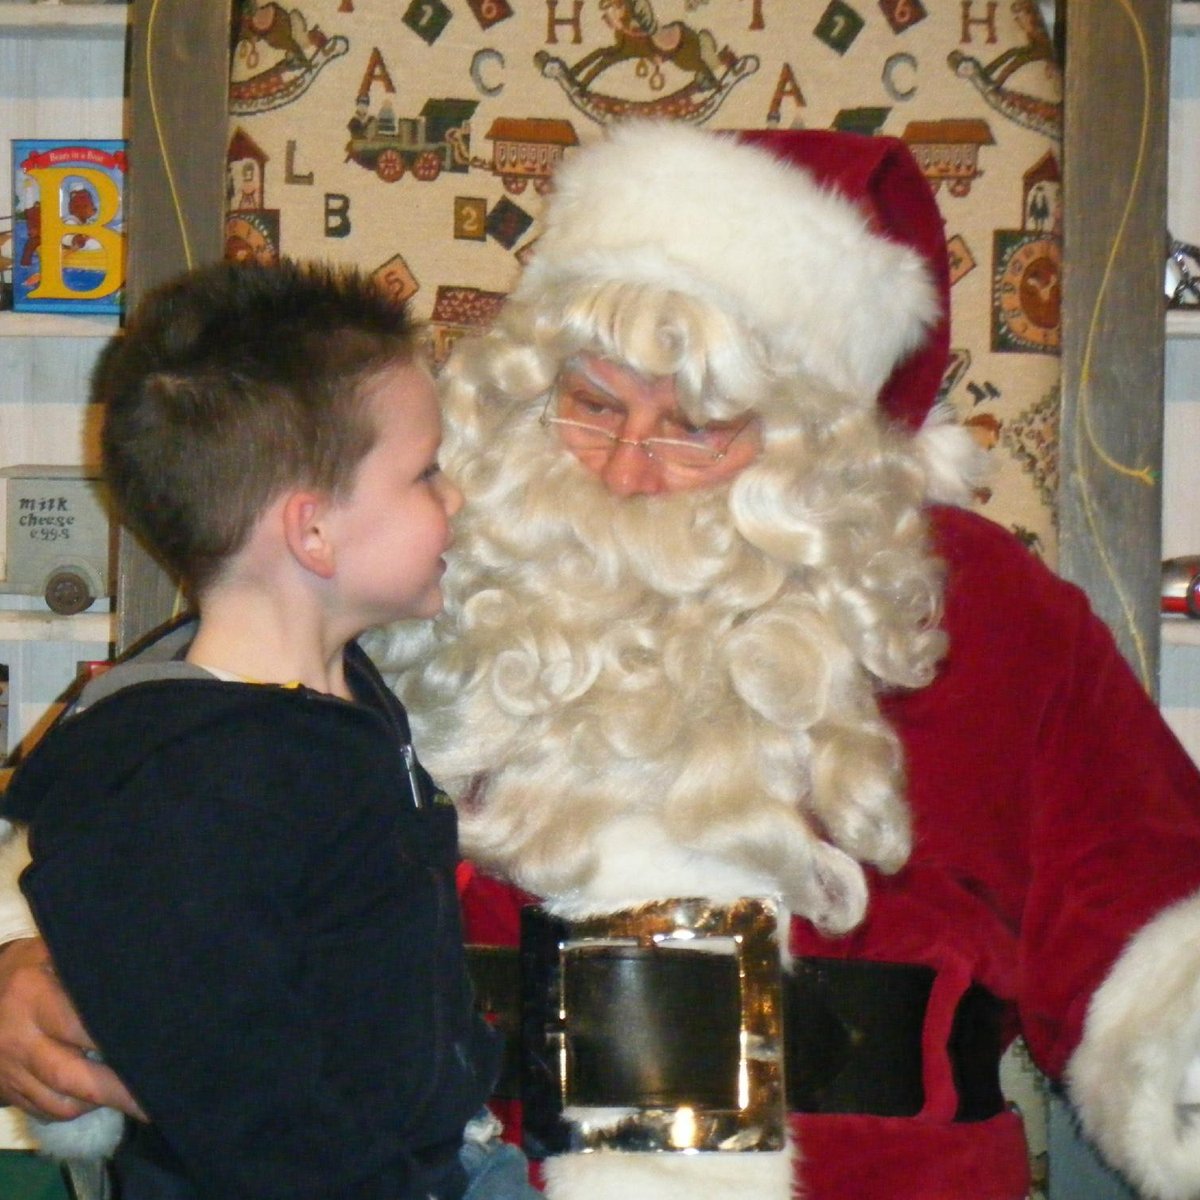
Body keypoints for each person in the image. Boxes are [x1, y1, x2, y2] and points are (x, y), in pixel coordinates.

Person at [3, 121, 1200, 1200]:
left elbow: (1160, 924)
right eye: (591, 403)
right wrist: (15, 966)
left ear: (815, 441)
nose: (627, 470)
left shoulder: (973, 603)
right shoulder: (413, 551)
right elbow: (156, 762)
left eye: (696, 426)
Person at [0, 259, 539, 1200]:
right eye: (425, 474)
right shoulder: (193, 784)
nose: (453, 501)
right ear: (314, 533)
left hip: (448, 1157)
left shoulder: (337, 700)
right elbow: (250, 1108)